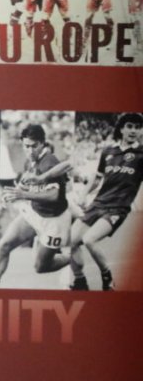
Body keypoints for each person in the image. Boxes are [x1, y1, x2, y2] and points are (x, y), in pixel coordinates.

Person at [67, 112, 143, 290]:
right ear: (122, 129)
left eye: (138, 127)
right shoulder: (108, 151)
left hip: (117, 208)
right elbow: (98, 177)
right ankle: (79, 281)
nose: (133, 131)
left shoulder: (141, 155)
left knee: (89, 240)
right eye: (129, 126)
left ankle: (107, 277)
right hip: (97, 204)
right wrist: (83, 194)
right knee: (70, 241)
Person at [0, 124, 72, 285]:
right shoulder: (29, 161)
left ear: (42, 143)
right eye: (26, 146)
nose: (30, 150)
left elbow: (54, 196)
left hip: (53, 221)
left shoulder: (49, 161)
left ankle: (72, 257)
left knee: (40, 267)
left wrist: (23, 195)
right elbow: (27, 185)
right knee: (4, 245)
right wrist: (12, 193)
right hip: (35, 213)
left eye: (34, 146)